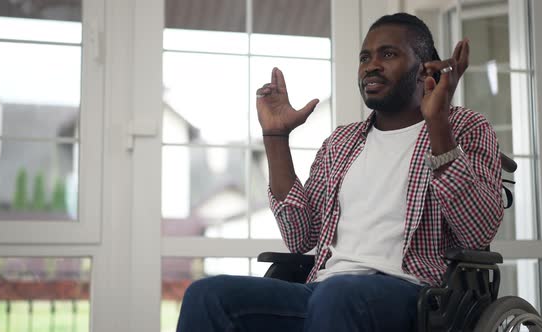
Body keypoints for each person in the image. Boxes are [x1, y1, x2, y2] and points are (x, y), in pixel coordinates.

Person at [176, 12, 503, 332]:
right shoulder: (341, 142)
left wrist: (438, 122)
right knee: (206, 296)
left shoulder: (464, 127)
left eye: (388, 54)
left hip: (415, 295)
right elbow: (300, 237)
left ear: (424, 70)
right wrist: (276, 138)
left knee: (337, 296)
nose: (371, 65)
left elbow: (477, 232)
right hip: (323, 290)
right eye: (365, 57)